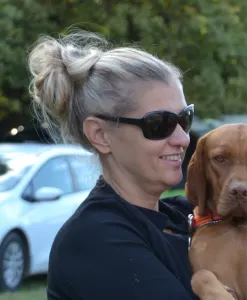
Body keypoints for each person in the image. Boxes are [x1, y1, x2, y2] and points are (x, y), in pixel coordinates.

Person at [28, 30, 235, 300]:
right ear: (100, 135)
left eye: (184, 118)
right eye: (159, 124)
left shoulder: (185, 213)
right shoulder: (94, 240)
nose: (183, 139)